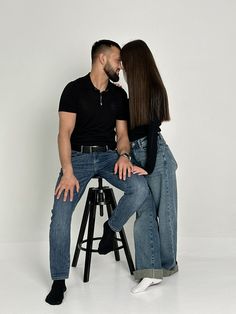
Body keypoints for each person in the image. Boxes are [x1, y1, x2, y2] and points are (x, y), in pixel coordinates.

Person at [45, 39, 152, 305]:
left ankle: (110, 227)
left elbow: (123, 135)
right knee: (60, 214)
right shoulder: (73, 90)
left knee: (140, 188)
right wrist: (67, 171)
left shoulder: (119, 95)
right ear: (102, 59)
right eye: (118, 60)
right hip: (78, 159)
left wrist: (124, 156)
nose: (121, 65)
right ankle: (59, 280)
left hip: (108, 156)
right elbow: (64, 134)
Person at [121, 40, 178, 293]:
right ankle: (150, 269)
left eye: (124, 61)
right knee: (143, 212)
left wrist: (149, 165)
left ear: (134, 62)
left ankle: (166, 266)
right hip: (137, 155)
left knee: (165, 215)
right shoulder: (130, 94)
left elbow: (153, 132)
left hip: (156, 155)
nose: (121, 66)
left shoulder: (153, 89)